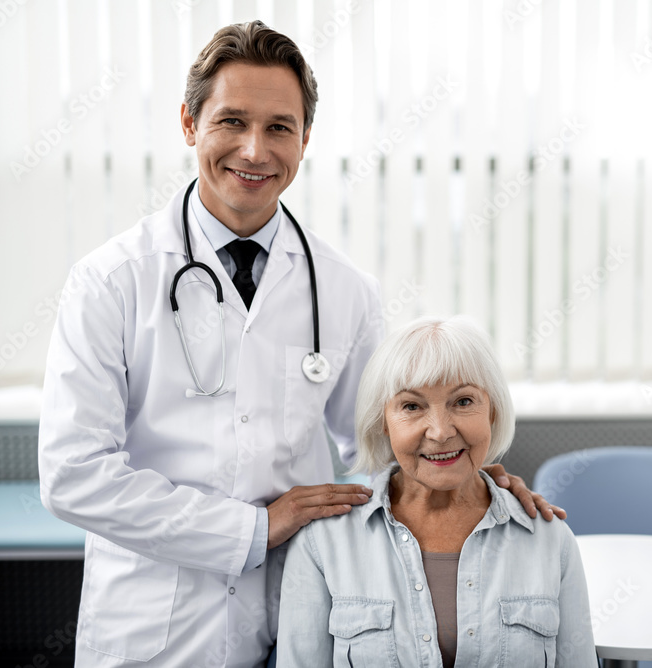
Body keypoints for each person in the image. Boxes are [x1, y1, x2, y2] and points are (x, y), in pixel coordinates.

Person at [38, 21, 561, 667]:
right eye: (232, 121)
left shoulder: (344, 290)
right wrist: (252, 530)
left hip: (302, 612)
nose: (255, 150)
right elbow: (73, 475)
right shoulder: (110, 282)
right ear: (188, 123)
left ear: (305, 139)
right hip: (154, 627)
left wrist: (474, 484)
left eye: (279, 127)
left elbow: (381, 447)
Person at [277, 316, 596, 667]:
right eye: (412, 406)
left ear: (492, 411)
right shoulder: (322, 542)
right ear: (383, 421)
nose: (441, 431)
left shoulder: (550, 539)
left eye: (462, 401)